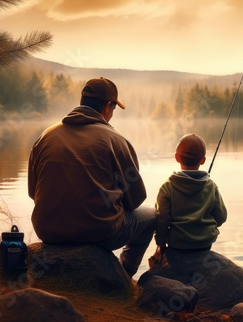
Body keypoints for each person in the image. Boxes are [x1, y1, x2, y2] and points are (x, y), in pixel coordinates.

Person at [28, 77, 156, 277]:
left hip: (48, 232)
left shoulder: (45, 137)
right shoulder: (115, 140)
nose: (112, 114)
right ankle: (123, 276)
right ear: (107, 107)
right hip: (100, 234)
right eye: (113, 109)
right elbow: (136, 200)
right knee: (152, 216)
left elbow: (33, 193)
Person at [151, 133, 227, 264]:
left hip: (177, 244)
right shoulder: (211, 186)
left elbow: (162, 219)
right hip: (205, 243)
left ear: (176, 157)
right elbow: (221, 217)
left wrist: (161, 243)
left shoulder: (167, 187)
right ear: (203, 160)